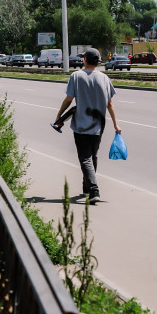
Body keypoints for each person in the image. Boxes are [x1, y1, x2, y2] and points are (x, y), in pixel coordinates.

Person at [53, 48, 121, 203]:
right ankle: (87, 187)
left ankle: (93, 190)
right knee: (92, 156)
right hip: (99, 125)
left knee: (85, 158)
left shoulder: (76, 76)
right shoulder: (104, 78)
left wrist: (59, 115)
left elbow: (69, 99)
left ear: (85, 60)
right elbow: (110, 103)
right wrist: (116, 124)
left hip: (81, 125)